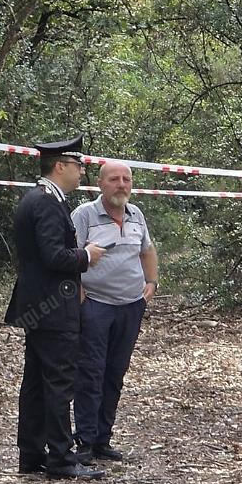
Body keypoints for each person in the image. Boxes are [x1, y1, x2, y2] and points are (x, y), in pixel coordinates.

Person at [4, 136, 106, 480]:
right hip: (52, 307)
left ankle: (31, 454)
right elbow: (53, 256)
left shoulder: (39, 199)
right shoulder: (47, 202)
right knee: (59, 381)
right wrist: (86, 256)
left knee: (35, 381)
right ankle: (61, 459)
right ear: (60, 166)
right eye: (78, 166)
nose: (81, 173)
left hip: (39, 306)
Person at [71, 161, 158, 463]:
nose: (121, 184)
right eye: (114, 179)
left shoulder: (137, 215)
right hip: (95, 305)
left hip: (130, 306)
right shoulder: (84, 215)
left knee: (114, 373)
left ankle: (102, 439)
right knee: (91, 372)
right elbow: (70, 255)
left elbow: (147, 250)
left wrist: (151, 282)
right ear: (100, 184)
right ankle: (84, 440)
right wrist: (78, 293)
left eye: (126, 179)